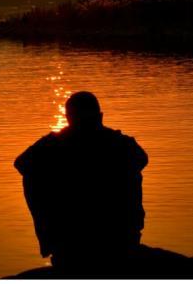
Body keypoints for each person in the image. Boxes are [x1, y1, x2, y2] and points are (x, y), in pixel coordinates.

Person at [14, 91, 148, 274]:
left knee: (33, 176)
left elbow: (22, 163)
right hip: (114, 235)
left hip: (87, 235)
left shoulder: (54, 144)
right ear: (100, 116)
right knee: (31, 176)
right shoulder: (120, 143)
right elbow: (141, 159)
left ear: (68, 118)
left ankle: (54, 240)